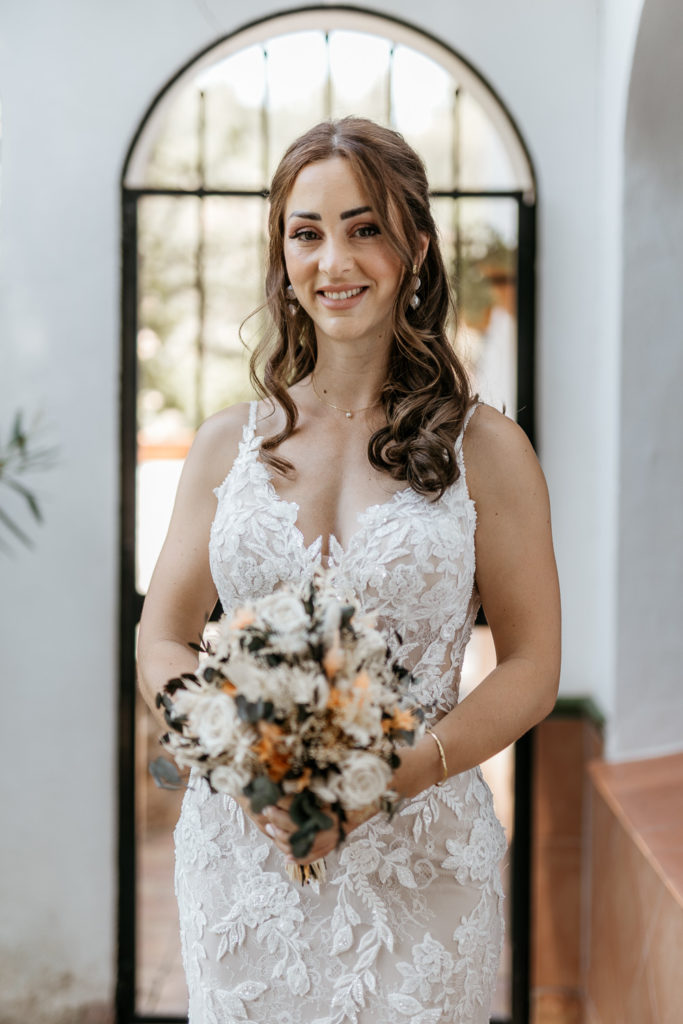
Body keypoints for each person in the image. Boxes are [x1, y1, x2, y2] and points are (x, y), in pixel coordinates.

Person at [137, 116, 561, 1024]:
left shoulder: (488, 450)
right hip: (244, 862)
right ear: (282, 258)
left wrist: (383, 782)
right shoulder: (226, 445)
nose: (335, 259)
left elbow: (532, 670)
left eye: (364, 227)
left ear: (413, 245)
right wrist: (239, 755)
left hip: (421, 863)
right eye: (307, 232)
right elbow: (163, 635)